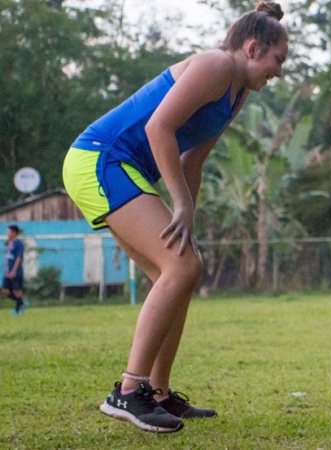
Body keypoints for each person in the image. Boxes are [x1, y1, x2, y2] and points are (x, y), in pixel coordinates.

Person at [62, 2, 289, 433]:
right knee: (182, 265)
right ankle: (128, 391)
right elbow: (157, 128)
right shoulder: (216, 64)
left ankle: (158, 393)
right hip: (101, 159)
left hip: (122, 169)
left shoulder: (236, 93)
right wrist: (179, 206)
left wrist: (189, 217)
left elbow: (192, 160)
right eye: (278, 60)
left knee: (180, 270)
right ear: (254, 47)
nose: (278, 72)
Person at [3, 225, 28, 316]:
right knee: (5, 290)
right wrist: (7, 270)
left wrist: (14, 270)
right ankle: (21, 303)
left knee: (17, 291)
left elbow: (19, 258)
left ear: (14, 233)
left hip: (16, 271)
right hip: (8, 271)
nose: (7, 234)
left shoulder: (18, 244)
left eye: (9, 232)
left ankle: (17, 311)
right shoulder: (10, 243)